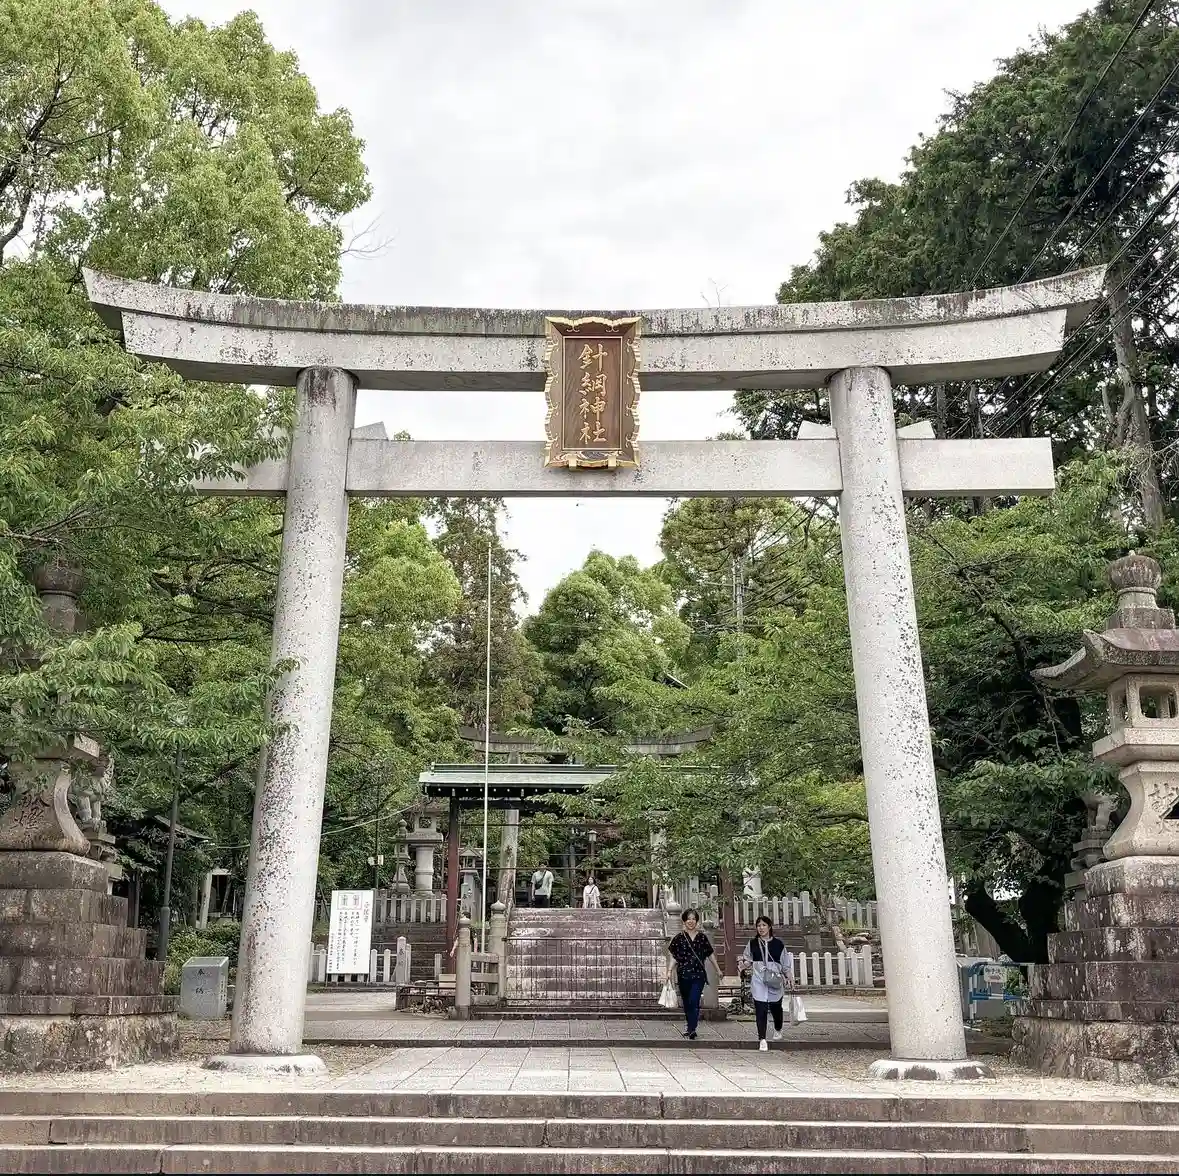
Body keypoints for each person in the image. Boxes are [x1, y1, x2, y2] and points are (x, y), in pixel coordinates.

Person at [739, 915, 790, 1051]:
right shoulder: (752, 943)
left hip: (775, 979)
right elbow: (748, 959)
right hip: (759, 980)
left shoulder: (778, 944)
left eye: (763, 925)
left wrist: (789, 977)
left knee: (776, 1007)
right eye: (758, 925)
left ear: (769, 927)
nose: (761, 928)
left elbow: (785, 964)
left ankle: (778, 1028)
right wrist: (743, 965)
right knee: (760, 1008)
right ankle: (762, 1039)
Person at [666, 907, 714, 1040]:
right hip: (683, 975)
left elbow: (710, 954)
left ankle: (692, 1028)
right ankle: (690, 1026)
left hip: (698, 975)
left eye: (693, 919)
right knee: (687, 1003)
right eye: (688, 919)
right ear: (684, 921)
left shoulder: (702, 937)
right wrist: (669, 971)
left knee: (694, 1000)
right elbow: (674, 957)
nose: (691, 921)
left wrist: (718, 969)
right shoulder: (679, 938)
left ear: (697, 921)